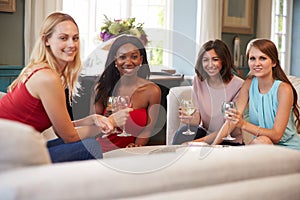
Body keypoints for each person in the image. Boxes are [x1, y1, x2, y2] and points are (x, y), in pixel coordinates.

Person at [0, 12, 131, 162]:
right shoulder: (47, 78)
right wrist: (112, 123)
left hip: (16, 148)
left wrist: (92, 119)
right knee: (91, 146)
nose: (72, 44)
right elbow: (69, 136)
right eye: (63, 38)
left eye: (75, 38)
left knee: (87, 144)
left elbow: (61, 128)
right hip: (6, 154)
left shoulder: (45, 71)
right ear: (46, 40)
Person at [218, 38, 300, 150]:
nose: (257, 63)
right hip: (261, 146)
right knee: (262, 141)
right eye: (252, 58)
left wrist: (243, 124)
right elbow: (232, 120)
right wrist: (213, 145)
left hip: (288, 149)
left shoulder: (284, 89)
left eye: (263, 58)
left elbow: (276, 136)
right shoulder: (248, 84)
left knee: (262, 141)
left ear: (274, 62)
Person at [93, 34, 161, 153]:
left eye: (134, 57)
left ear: (141, 60)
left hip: (132, 153)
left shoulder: (152, 91)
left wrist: (136, 147)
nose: (128, 62)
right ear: (115, 60)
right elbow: (93, 125)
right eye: (122, 57)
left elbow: (148, 129)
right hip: (102, 151)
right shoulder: (102, 88)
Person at [172, 39, 244, 146]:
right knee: (181, 134)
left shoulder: (239, 85)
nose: (210, 65)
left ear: (224, 61)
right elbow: (198, 119)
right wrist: (190, 118)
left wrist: (194, 143)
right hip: (205, 133)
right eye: (205, 60)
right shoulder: (198, 81)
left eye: (215, 59)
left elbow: (228, 127)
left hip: (228, 138)